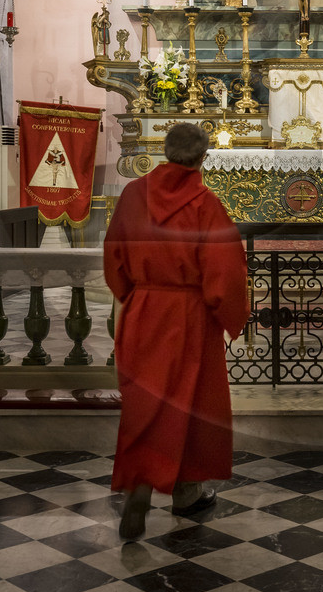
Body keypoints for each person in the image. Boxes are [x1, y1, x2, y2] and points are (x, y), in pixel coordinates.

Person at [104, 122, 249, 540]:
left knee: (145, 405)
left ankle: (141, 484)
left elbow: (114, 253)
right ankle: (186, 492)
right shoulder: (206, 204)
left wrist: (134, 294)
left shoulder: (133, 195)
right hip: (188, 314)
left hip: (144, 309)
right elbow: (225, 273)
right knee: (192, 406)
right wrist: (230, 317)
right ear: (203, 157)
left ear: (165, 152)